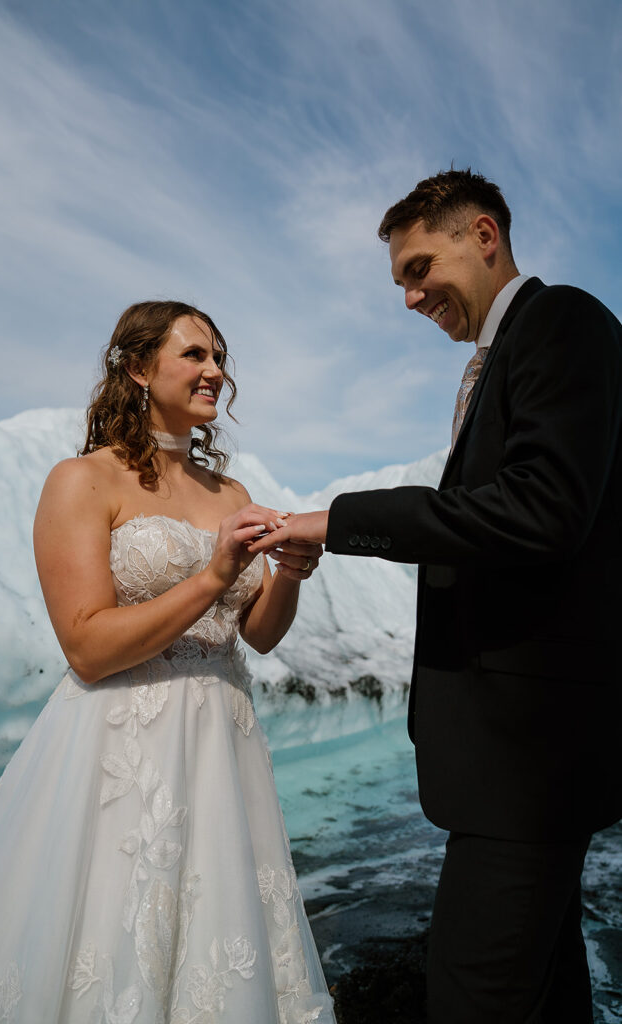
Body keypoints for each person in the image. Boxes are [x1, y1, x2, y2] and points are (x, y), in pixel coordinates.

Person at [249, 169, 622, 1022]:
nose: (411, 297)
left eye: (419, 268)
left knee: (471, 998)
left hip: (529, 763)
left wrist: (333, 520)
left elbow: (541, 511)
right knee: (544, 993)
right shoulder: (504, 356)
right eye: (400, 282)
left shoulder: (561, 322)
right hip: (520, 763)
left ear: (482, 236)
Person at [0, 300, 336, 1024]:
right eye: (194, 355)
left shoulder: (232, 494)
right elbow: (87, 647)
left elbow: (259, 636)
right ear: (137, 367)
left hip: (223, 743)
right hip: (118, 749)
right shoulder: (82, 481)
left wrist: (289, 576)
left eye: (219, 357)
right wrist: (212, 576)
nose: (215, 370)